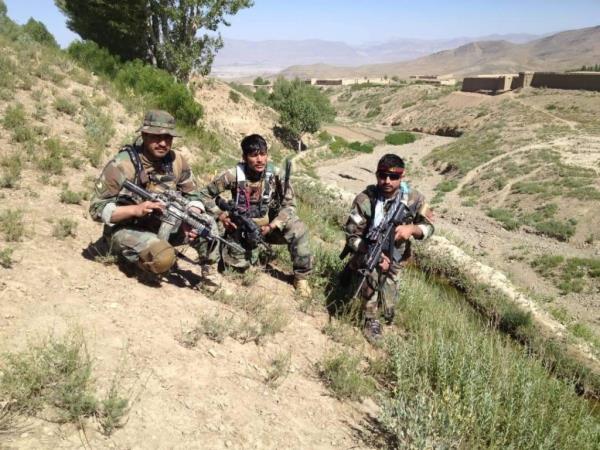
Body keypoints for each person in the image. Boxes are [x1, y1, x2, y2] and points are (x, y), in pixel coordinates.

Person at [89, 110, 220, 289]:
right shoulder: (121, 165)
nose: (163, 143)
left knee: (207, 225)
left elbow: (193, 195)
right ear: (144, 135)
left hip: (165, 224)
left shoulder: (177, 161)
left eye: (168, 138)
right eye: (156, 137)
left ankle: (210, 280)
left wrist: (191, 214)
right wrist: (135, 210)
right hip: (127, 228)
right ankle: (135, 263)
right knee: (163, 258)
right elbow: (96, 209)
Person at [198, 134, 313, 296]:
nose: (260, 160)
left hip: (269, 229)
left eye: (263, 154)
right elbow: (203, 195)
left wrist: (272, 225)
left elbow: (290, 206)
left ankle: (301, 278)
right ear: (244, 157)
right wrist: (221, 216)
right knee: (236, 269)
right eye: (254, 155)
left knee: (298, 227)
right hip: (240, 230)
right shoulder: (232, 175)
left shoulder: (276, 175)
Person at [342, 153, 434, 342]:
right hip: (367, 249)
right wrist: (367, 250)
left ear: (402, 176)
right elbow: (351, 234)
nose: (387, 181)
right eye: (382, 176)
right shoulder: (365, 199)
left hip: (396, 257)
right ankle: (369, 319)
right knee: (372, 270)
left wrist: (413, 228)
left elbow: (430, 227)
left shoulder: (414, 199)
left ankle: (353, 272)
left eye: (393, 177)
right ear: (376, 175)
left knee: (389, 310)